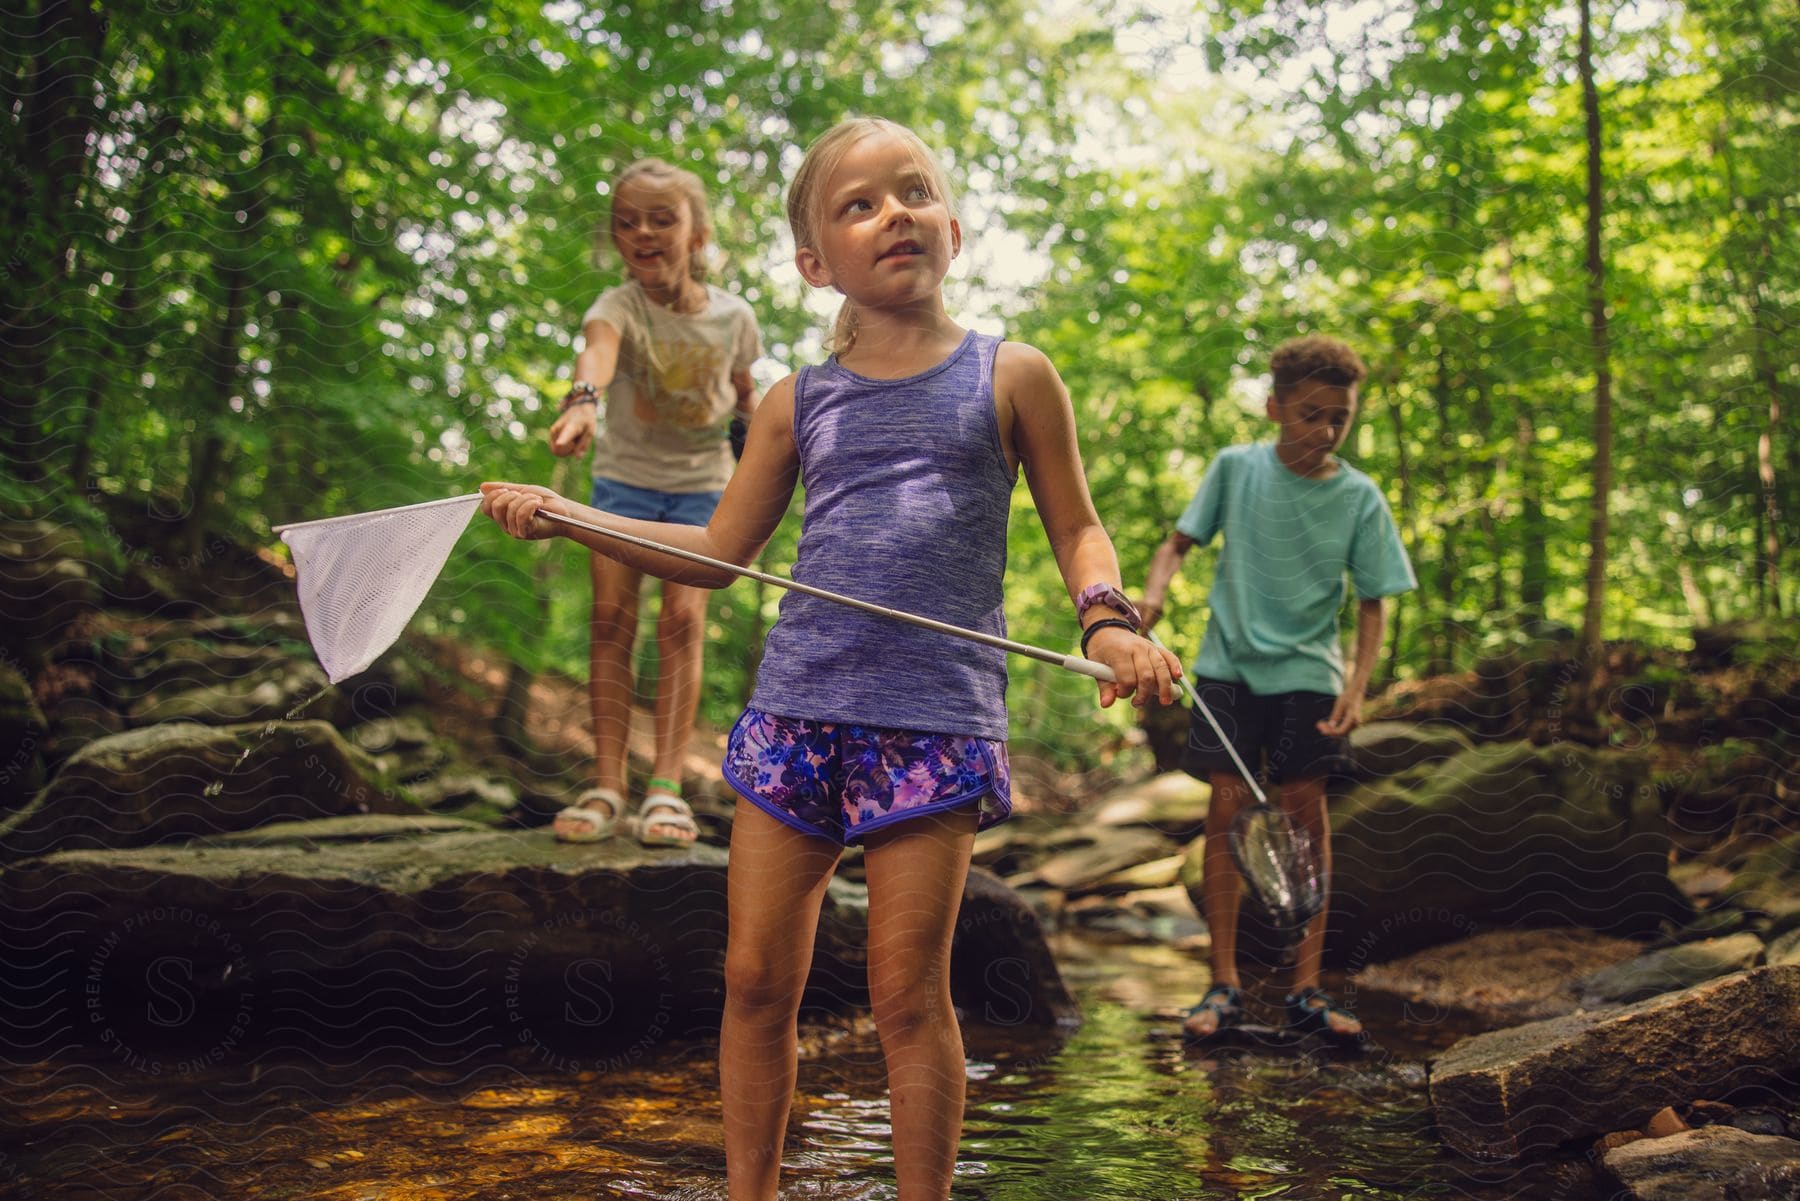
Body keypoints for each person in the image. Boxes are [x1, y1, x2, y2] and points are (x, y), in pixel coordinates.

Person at [481, 117, 1182, 1201]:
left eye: (913, 192)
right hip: (795, 716)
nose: (893, 212)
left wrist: (1107, 617)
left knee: (909, 998)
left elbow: (1079, 527)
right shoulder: (793, 401)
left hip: (933, 725)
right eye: (859, 205)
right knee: (757, 981)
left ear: (953, 224)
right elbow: (717, 555)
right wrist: (576, 519)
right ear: (815, 264)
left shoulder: (1015, 375)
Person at [1139, 334, 1415, 1043]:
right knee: (1226, 810)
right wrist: (1152, 598)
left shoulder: (1360, 496)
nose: (1324, 431)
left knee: (1305, 815)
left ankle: (1307, 989)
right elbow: (1176, 544)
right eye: (1310, 414)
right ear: (1274, 408)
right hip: (1228, 665)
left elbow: (1375, 598)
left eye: (1339, 419)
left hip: (1308, 675)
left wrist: (1357, 684)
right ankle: (1224, 983)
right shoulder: (1235, 468)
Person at [545, 158, 763, 846]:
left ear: (696, 235)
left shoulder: (735, 317)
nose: (642, 231)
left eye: (661, 218)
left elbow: (744, 392)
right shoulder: (617, 307)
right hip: (625, 481)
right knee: (610, 617)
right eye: (627, 221)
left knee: (683, 622)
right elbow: (596, 353)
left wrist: (769, 450)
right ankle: (608, 783)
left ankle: (664, 789)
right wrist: (584, 404)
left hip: (704, 485)